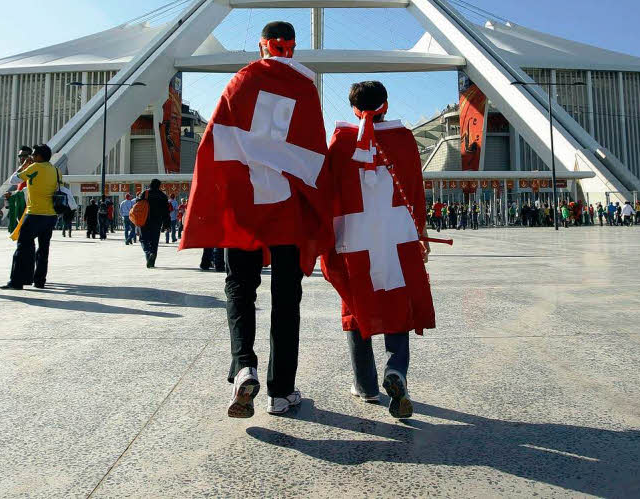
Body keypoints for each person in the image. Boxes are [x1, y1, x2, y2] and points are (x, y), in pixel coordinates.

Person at [179, 21, 333, 418]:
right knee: (286, 298)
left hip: (245, 206)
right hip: (285, 208)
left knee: (239, 287)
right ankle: (281, 392)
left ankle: (243, 365)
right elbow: (315, 154)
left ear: (261, 45)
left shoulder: (242, 81)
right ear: (292, 48)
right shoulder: (305, 89)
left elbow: (216, 140)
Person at [321, 81, 435, 419]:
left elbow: (329, 190)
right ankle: (395, 370)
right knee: (398, 299)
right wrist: (422, 233)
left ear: (353, 107)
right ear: (386, 104)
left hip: (353, 237)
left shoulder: (341, 142)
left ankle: (366, 386)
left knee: (356, 302)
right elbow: (415, 189)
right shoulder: (403, 139)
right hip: (396, 234)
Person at [1, 144, 59, 290]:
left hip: (34, 213)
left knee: (23, 247)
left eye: (33, 155)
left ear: (39, 156)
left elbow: (13, 180)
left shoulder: (34, 168)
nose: (31, 157)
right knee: (43, 249)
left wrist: (24, 166)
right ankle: (39, 281)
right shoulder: (55, 170)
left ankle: (17, 281)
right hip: (50, 215)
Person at [138, 179, 171, 268]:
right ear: (159, 186)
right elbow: (166, 212)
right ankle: (152, 260)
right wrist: (166, 224)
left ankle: (148, 254)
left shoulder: (145, 193)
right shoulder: (163, 196)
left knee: (143, 239)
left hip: (145, 220)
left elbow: (138, 205)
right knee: (154, 242)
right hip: (157, 222)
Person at [5, 146, 31, 233]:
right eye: (20, 156)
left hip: (28, 205)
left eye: (24, 156)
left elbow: (12, 180)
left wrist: (23, 166)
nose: (21, 158)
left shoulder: (30, 169)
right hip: (21, 203)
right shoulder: (22, 169)